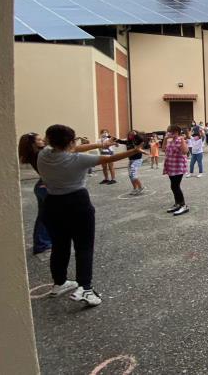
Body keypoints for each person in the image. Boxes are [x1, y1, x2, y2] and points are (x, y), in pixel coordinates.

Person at [38, 124, 140, 306]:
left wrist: (99, 144)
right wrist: (134, 151)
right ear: (70, 141)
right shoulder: (78, 160)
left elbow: (73, 148)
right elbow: (112, 157)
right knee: (83, 246)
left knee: (59, 246)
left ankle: (59, 282)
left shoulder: (44, 154)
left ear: (49, 140)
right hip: (76, 202)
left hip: (52, 203)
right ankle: (85, 288)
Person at [18, 132, 52, 256]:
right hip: (45, 186)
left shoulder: (34, 154)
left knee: (44, 215)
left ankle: (42, 242)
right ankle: (42, 244)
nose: (42, 140)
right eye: (38, 139)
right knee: (46, 216)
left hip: (41, 186)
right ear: (33, 143)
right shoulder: (40, 154)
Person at [162, 125, 189, 216]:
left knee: (176, 186)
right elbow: (163, 149)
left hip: (178, 166)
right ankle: (178, 204)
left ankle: (183, 205)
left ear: (176, 132)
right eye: (168, 131)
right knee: (173, 186)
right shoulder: (170, 141)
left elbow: (185, 151)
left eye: (170, 132)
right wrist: (165, 139)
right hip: (170, 166)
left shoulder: (180, 140)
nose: (169, 133)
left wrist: (181, 140)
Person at [116, 130, 147, 195]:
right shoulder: (128, 142)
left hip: (137, 160)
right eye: (129, 135)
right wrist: (111, 137)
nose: (130, 136)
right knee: (130, 175)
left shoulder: (137, 141)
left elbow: (141, 140)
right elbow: (120, 141)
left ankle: (141, 187)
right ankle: (135, 188)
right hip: (131, 160)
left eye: (132, 135)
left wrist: (135, 135)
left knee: (133, 175)